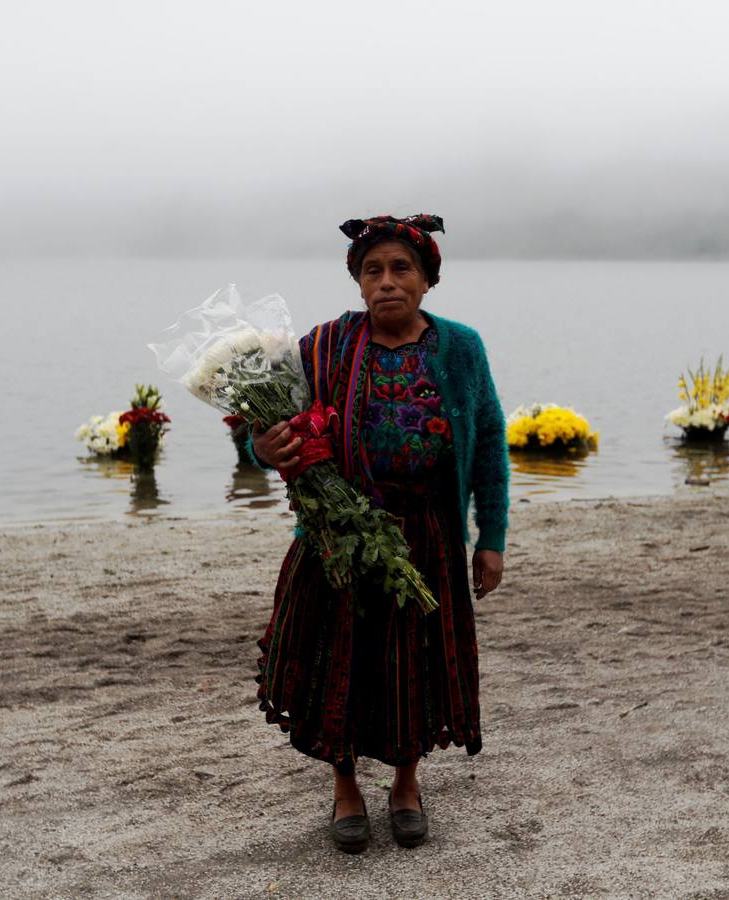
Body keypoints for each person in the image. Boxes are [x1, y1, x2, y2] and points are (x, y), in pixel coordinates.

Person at [249, 214, 509, 853]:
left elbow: (488, 442)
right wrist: (264, 447)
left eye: (401, 269)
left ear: (427, 280)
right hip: (340, 533)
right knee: (338, 659)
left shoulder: (461, 348)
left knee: (412, 661)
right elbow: (267, 431)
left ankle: (405, 785)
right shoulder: (322, 347)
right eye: (373, 270)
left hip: (427, 535)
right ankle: (345, 789)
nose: (387, 281)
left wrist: (491, 537)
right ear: (358, 282)